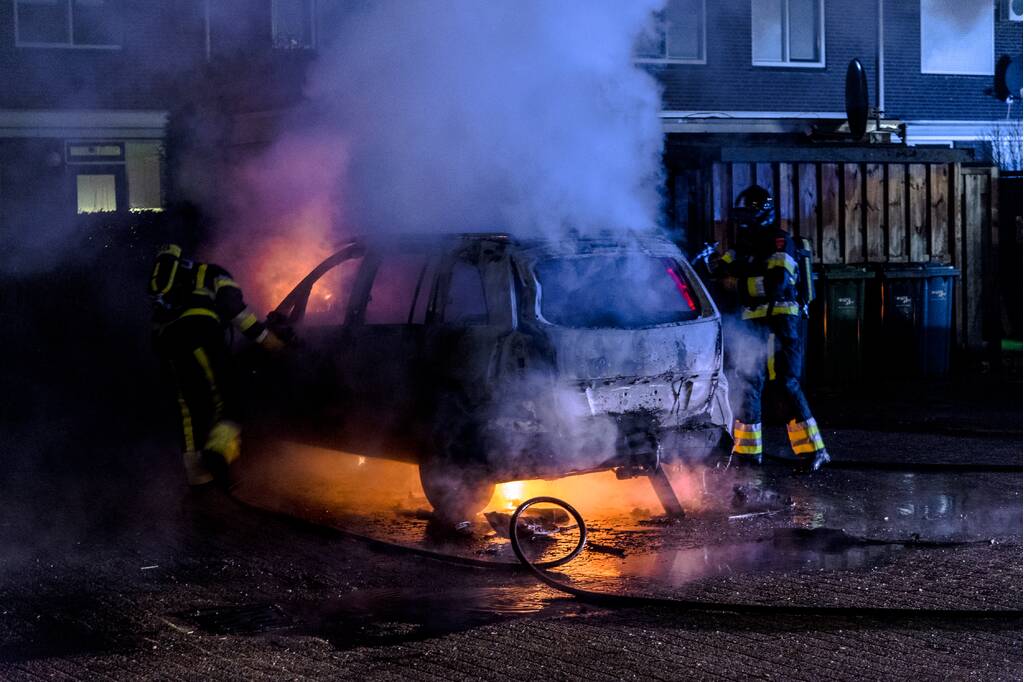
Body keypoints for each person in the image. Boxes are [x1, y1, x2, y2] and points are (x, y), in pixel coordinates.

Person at [710, 185, 830, 471]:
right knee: (749, 383)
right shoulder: (745, 245)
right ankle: (748, 455)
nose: (743, 219)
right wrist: (713, 264)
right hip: (754, 326)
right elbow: (719, 269)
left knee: (785, 384)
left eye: (749, 213)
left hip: (781, 324)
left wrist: (737, 283)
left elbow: (776, 283)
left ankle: (815, 451)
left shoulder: (779, 240)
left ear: (762, 212)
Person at [149, 243, 286, 486]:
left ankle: (198, 478)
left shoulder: (165, 287)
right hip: (202, 338)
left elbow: (157, 327)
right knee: (231, 400)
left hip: (169, 349)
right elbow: (235, 311)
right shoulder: (211, 273)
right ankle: (218, 454)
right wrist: (267, 339)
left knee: (187, 410)